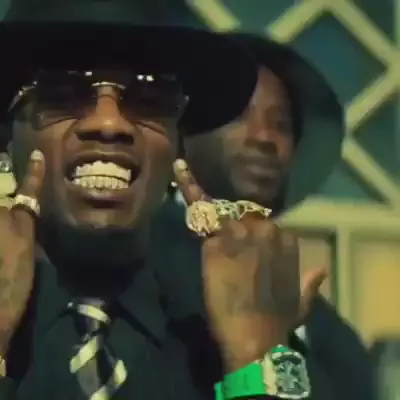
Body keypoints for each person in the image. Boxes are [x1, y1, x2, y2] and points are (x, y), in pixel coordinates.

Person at [0, 1, 324, 400]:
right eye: (63, 94)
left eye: (150, 97)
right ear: (6, 136)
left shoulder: (239, 315)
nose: (109, 123)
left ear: (176, 146)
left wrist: (256, 358)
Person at [155, 34, 373, 400]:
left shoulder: (331, 336)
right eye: (239, 115)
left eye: (282, 124)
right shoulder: (135, 259)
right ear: (182, 131)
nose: (265, 137)